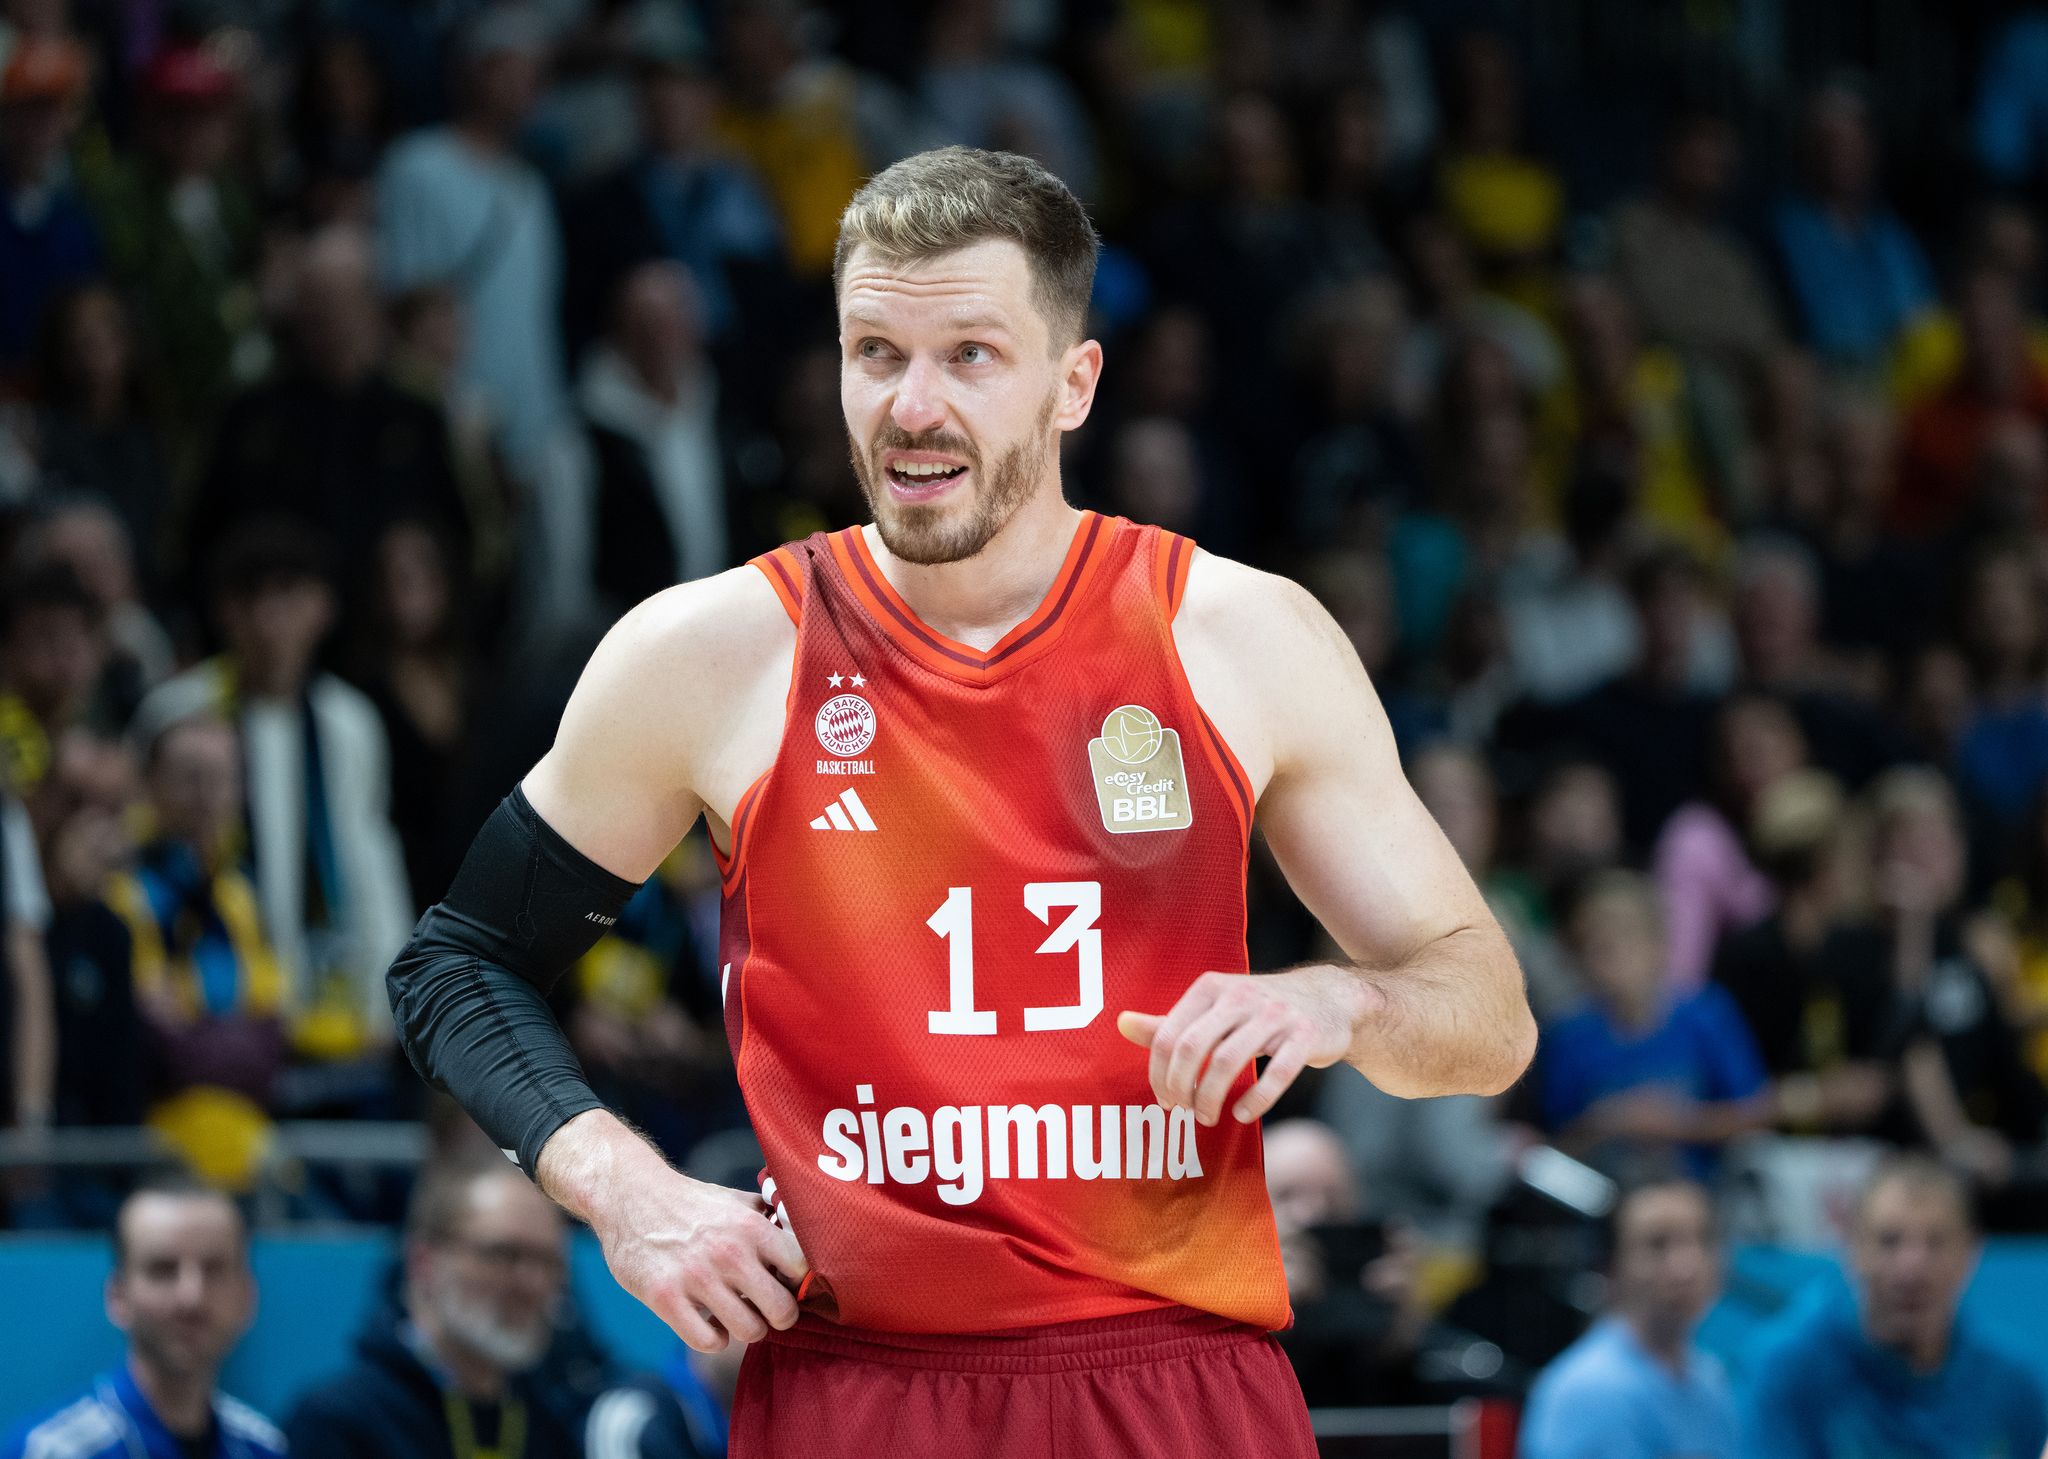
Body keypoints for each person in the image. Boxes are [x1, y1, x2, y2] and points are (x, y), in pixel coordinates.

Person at [388, 146, 1535, 1456]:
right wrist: (625, 1191)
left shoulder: (1236, 634)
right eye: (875, 353)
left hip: (1171, 1380)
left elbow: (1487, 1016)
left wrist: (1341, 1001)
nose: (912, 405)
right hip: (860, 1390)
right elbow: (458, 965)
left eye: (970, 356)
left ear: (1073, 383)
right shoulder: (710, 653)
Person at [1743, 1154, 2047, 1459]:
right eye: (1889, 1241)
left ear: (1970, 1251)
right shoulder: (1791, 1369)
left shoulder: (2013, 1384)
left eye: (1936, 1242)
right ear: (1852, 1247)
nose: (1912, 1268)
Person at [283, 1158, 583, 1458]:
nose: (531, 1283)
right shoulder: (339, 1423)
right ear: (423, 1262)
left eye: (549, 1262)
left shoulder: (554, 1428)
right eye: (503, 1255)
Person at [0, 1178, 286, 1459]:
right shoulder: (54, 1451)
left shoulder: (263, 1446)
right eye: (163, 1270)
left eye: (214, 1269)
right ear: (118, 1297)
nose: (191, 1297)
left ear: (247, 1297)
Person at [1520, 1176, 1738, 1459]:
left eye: (1702, 1239)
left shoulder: (1709, 1378)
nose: (1686, 1266)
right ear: (1611, 1266)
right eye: (1657, 1245)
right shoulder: (1591, 1391)